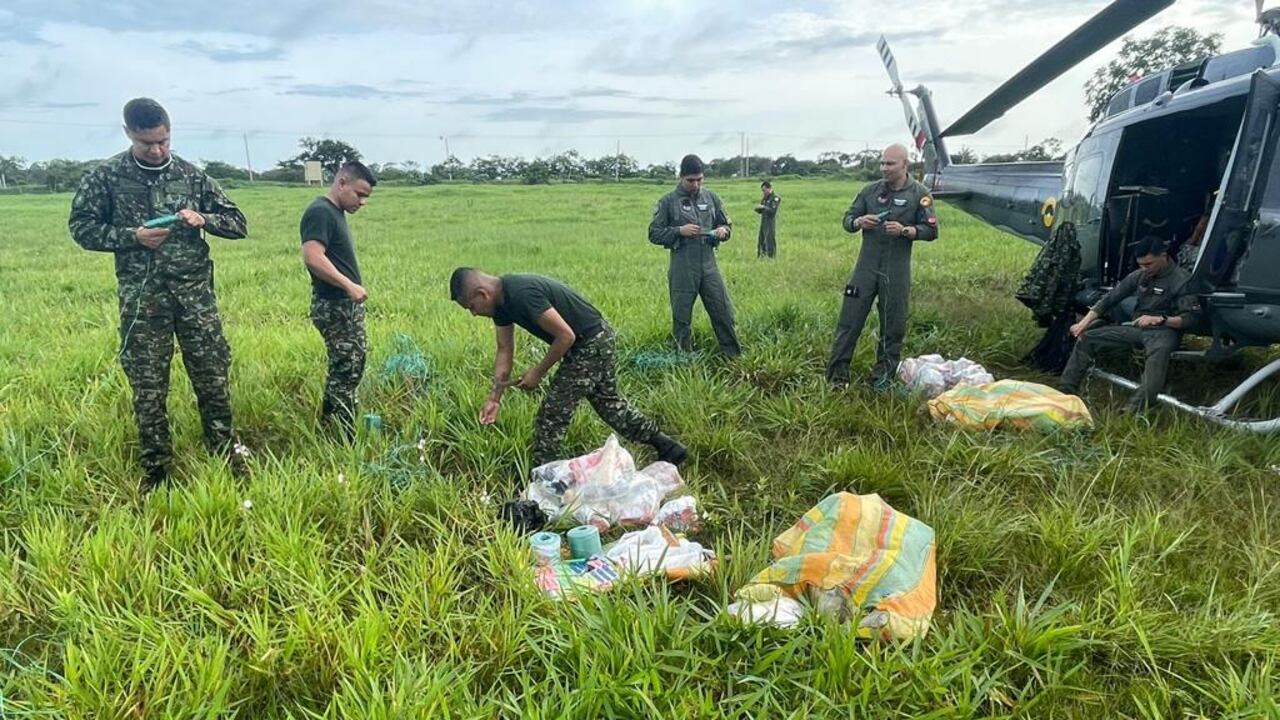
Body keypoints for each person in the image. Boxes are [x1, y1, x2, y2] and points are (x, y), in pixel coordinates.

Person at [68, 98, 248, 490]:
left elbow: (238, 222)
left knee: (212, 376)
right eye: (147, 142)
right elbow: (81, 228)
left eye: (163, 141)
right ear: (128, 133)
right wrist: (132, 237)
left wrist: (205, 218)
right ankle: (157, 468)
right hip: (143, 304)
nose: (157, 150)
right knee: (148, 387)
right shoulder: (107, 177)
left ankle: (224, 450)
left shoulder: (191, 175)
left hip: (195, 300)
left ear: (170, 131)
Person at [449, 268, 687, 468]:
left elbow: (565, 335)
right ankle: (669, 448)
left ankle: (545, 480)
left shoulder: (521, 293)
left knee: (551, 415)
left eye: (471, 306)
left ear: (482, 294)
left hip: (591, 341)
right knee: (610, 406)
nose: (473, 313)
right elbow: (504, 350)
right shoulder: (500, 305)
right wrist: (495, 398)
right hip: (589, 343)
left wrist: (537, 373)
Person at [826, 144, 938, 388]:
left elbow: (931, 230)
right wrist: (858, 221)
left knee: (893, 325)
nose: (884, 168)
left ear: (905, 165)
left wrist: (906, 230)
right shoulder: (869, 191)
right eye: (882, 163)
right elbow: (847, 220)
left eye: (890, 164)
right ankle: (837, 377)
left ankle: (882, 379)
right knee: (849, 320)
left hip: (896, 270)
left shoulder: (920, 194)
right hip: (865, 268)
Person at [1059, 236, 1199, 411]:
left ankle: (1132, 411)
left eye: (1148, 264)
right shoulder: (1140, 275)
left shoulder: (1181, 280)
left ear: (1163, 256)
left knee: (1156, 363)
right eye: (1141, 264)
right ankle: (1065, 393)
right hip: (1137, 328)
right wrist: (1083, 324)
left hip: (1165, 332)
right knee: (1087, 338)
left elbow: (1191, 318)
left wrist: (1162, 319)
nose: (1144, 269)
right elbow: (1109, 299)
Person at [300, 161, 377, 438]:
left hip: (342, 305)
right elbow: (312, 256)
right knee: (347, 369)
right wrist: (349, 285)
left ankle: (333, 427)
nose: (362, 202)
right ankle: (343, 436)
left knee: (349, 366)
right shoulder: (321, 211)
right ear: (341, 182)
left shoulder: (333, 212)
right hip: (334, 306)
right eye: (359, 194)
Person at [647, 154, 742, 357]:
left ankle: (732, 355)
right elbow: (654, 233)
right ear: (680, 177)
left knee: (723, 310)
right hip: (683, 266)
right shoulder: (668, 202)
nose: (696, 184)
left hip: (709, 265)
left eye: (700, 179)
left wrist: (723, 232)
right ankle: (683, 358)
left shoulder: (712, 198)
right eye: (691, 180)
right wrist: (679, 231)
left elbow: (726, 224)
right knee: (682, 316)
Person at [755, 180, 781, 258]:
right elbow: (762, 209)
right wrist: (758, 209)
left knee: (769, 239)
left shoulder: (775, 198)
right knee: (761, 239)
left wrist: (764, 207)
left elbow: (773, 211)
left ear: (769, 189)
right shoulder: (764, 199)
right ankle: (761, 255)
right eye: (762, 191)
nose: (763, 192)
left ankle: (771, 256)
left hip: (770, 222)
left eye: (764, 190)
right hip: (763, 221)